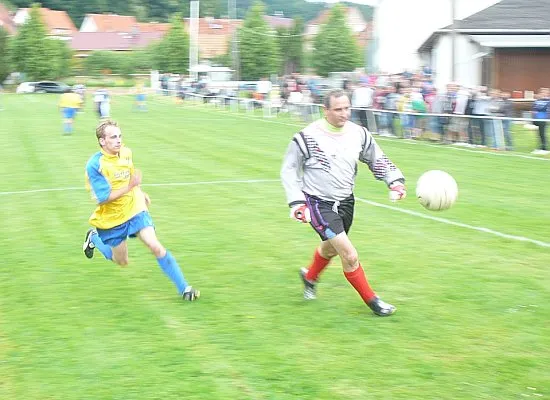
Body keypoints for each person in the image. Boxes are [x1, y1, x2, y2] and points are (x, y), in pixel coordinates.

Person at [280, 89, 406, 317]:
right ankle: (374, 302)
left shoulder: (359, 133)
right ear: (325, 110)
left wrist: (394, 181)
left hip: (346, 202)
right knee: (349, 254)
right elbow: (289, 170)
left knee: (330, 249)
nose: (344, 114)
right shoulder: (306, 137)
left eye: (347, 108)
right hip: (318, 204)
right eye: (338, 109)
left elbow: (376, 158)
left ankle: (309, 278)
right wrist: (297, 203)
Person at [82, 120, 200, 301]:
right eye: (113, 137)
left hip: (135, 208)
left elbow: (130, 178)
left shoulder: (126, 153)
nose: (119, 140)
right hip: (111, 218)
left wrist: (139, 191)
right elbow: (104, 197)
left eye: (120, 136)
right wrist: (131, 186)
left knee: (155, 246)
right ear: (102, 141)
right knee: (122, 261)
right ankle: (94, 238)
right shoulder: (95, 165)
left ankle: (185, 288)